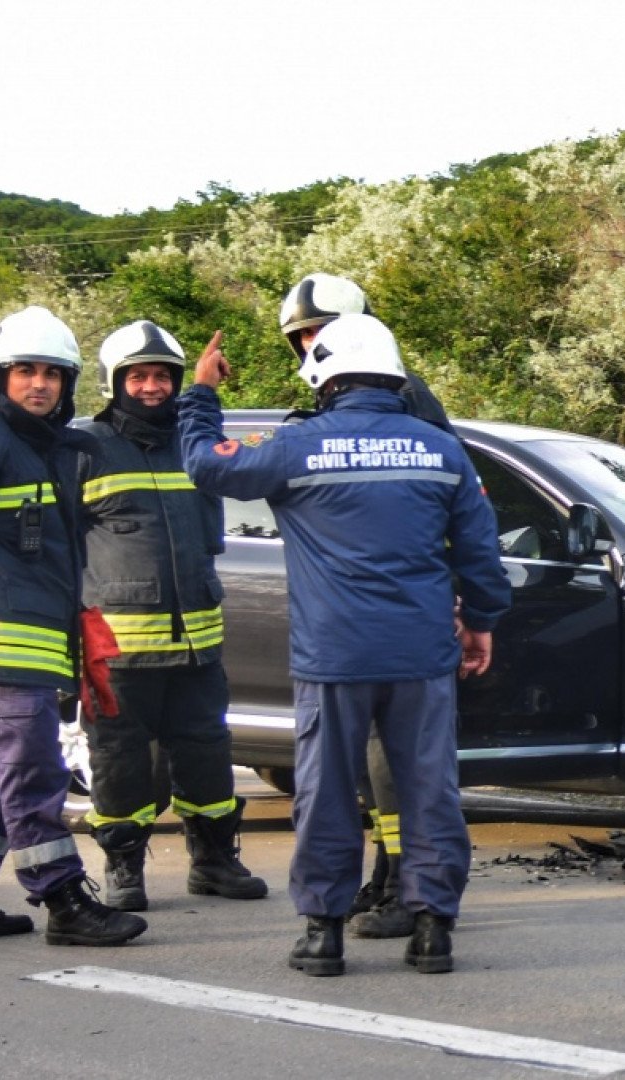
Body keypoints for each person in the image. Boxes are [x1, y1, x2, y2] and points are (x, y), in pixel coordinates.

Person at [179, 313, 509, 975]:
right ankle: (432, 932)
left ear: (322, 378)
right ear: (392, 374)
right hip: (420, 653)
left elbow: (204, 466)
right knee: (429, 789)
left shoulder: (298, 447)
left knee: (326, 789)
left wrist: (201, 395)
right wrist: (480, 620)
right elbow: (480, 552)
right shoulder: (438, 448)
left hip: (333, 657)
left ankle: (322, 934)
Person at [0, 306, 147, 946]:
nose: (39, 383)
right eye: (24, 371)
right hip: (0, 640)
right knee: (32, 773)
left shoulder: (50, 447)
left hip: (34, 640)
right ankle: (64, 900)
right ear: (0, 375)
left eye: (52, 373)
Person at [277, 271, 449, 940]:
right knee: (373, 766)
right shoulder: (346, 404)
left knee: (392, 764)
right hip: (376, 618)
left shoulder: (407, 408)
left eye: (320, 333)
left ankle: (409, 887)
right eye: (303, 338)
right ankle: (388, 878)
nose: (313, 347)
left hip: (388, 619)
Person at [74, 320, 269, 910]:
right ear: (115, 382)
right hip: (118, 647)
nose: (153, 386)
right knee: (120, 759)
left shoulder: (193, 444)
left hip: (198, 643)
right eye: (139, 376)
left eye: (163, 375)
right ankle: (123, 868)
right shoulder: (82, 448)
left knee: (208, 752)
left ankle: (213, 861)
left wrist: (205, 392)